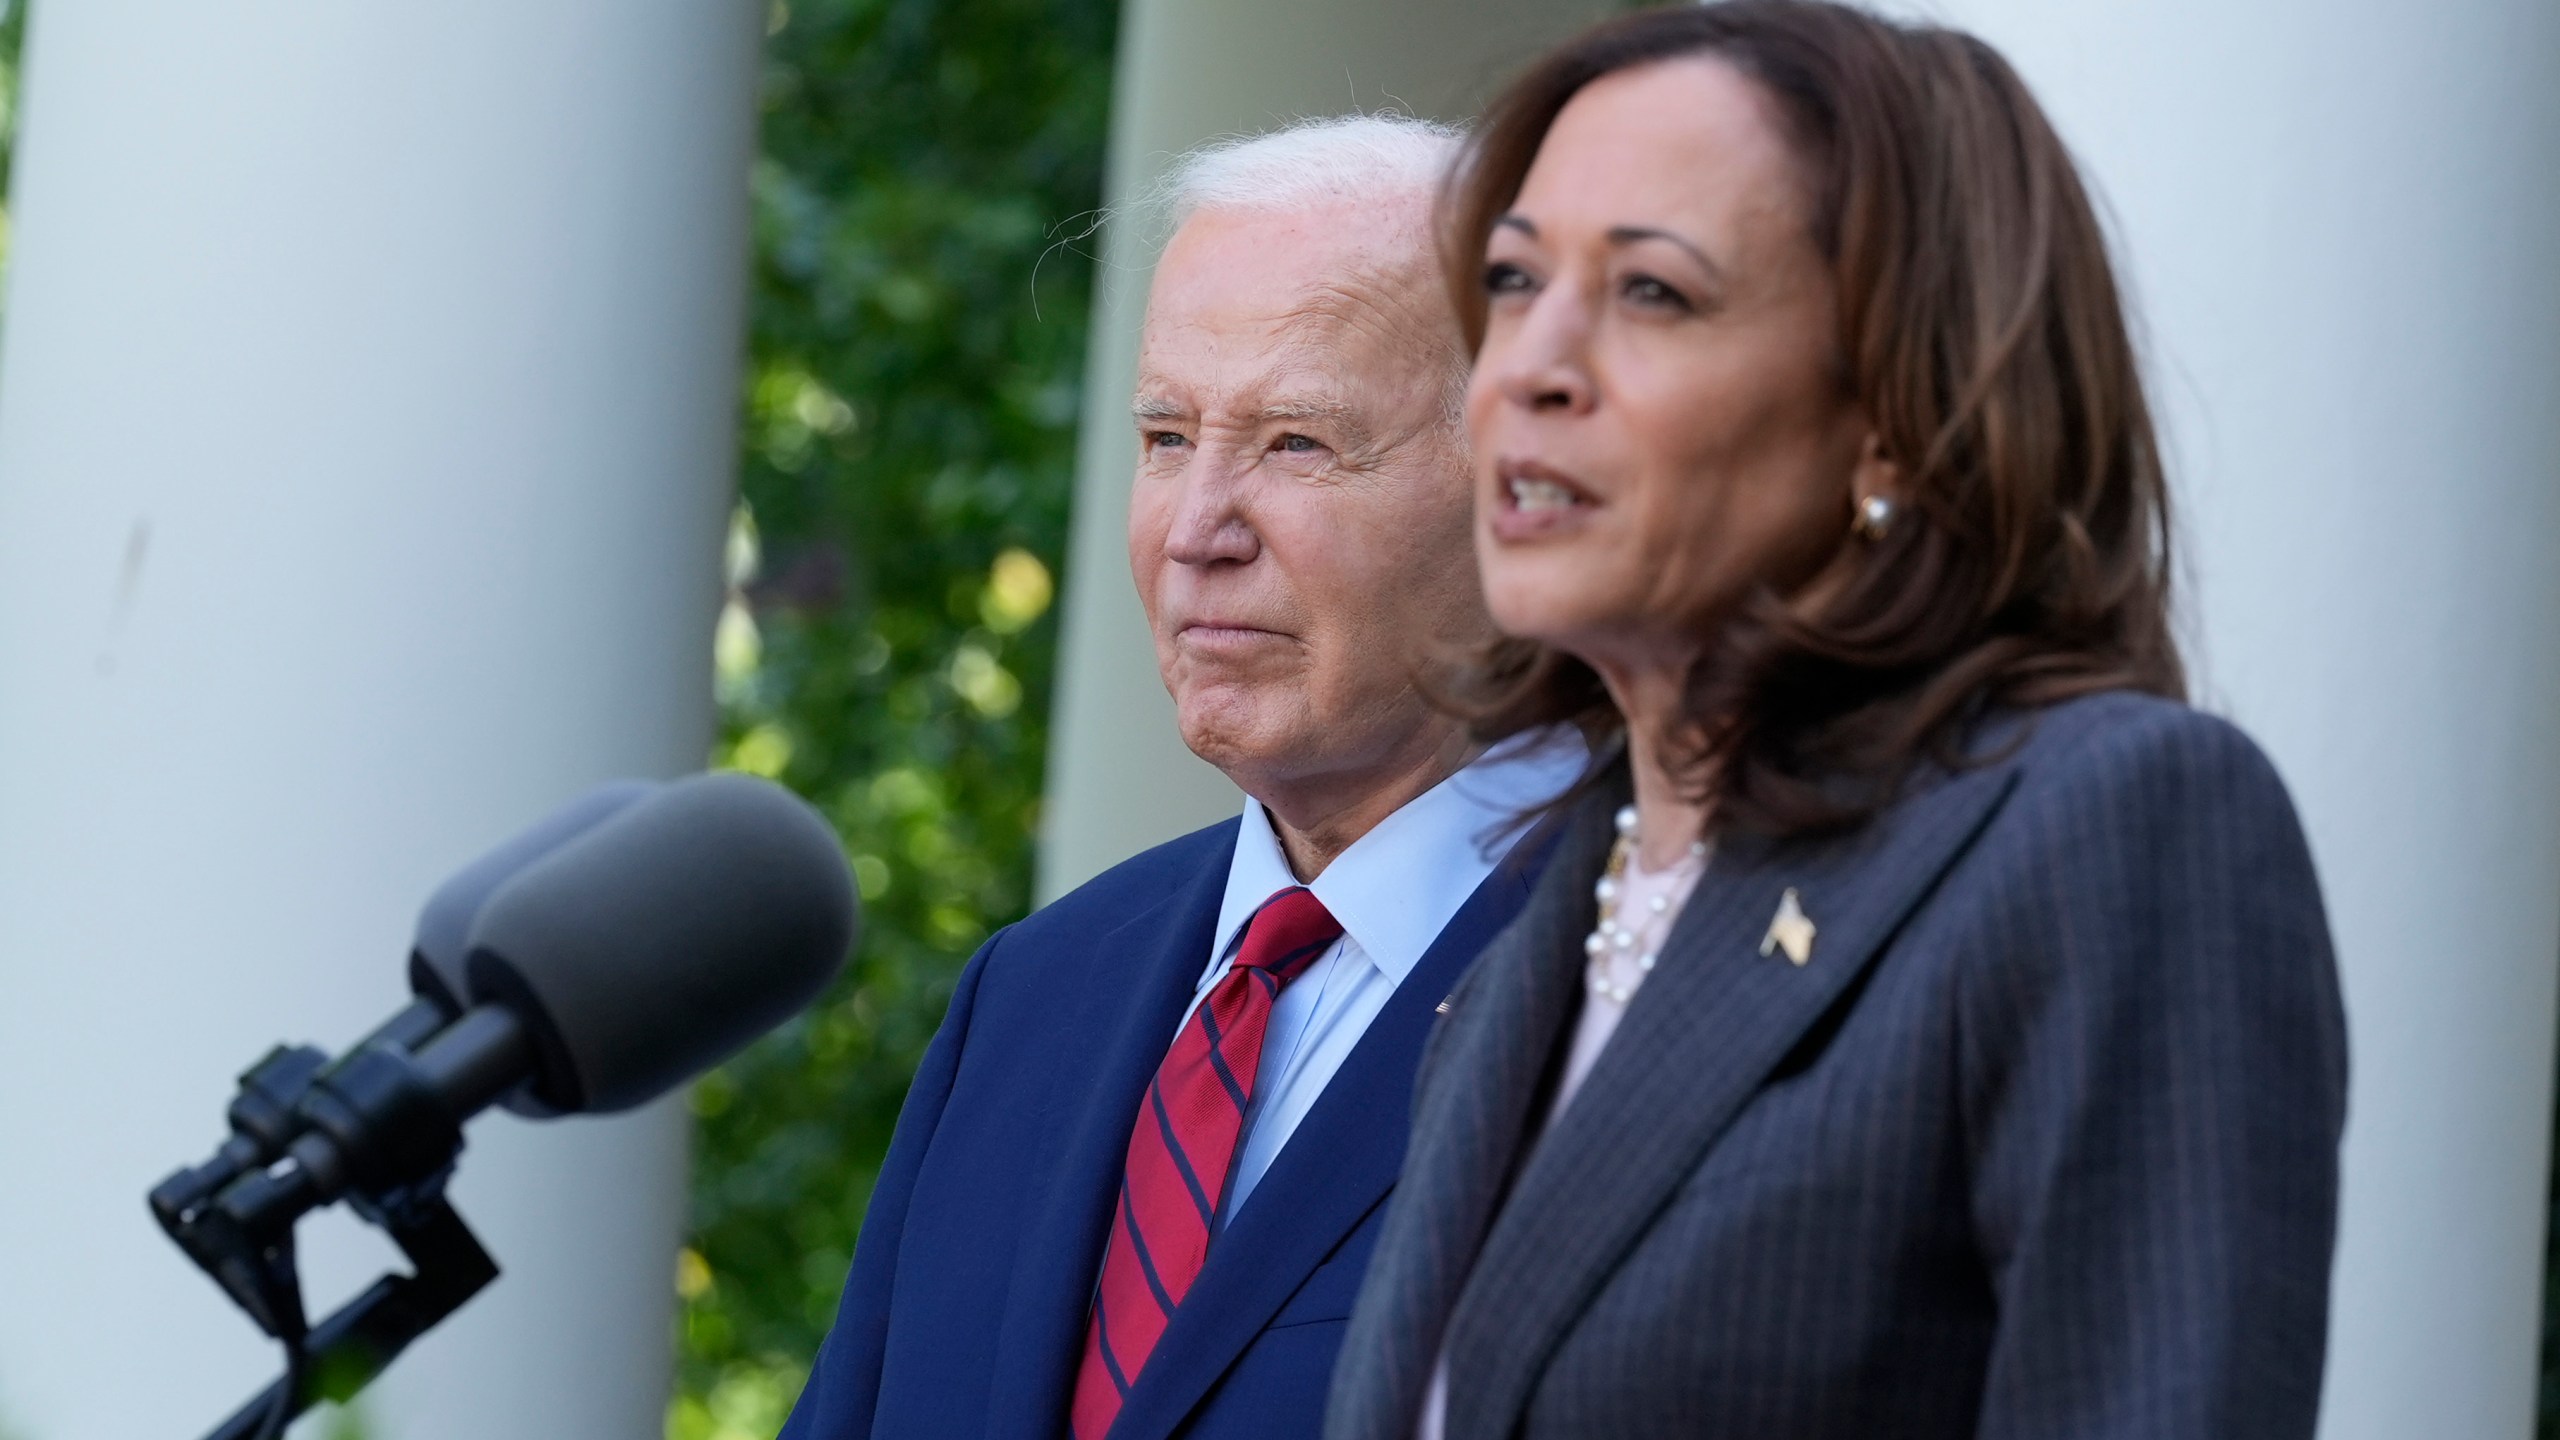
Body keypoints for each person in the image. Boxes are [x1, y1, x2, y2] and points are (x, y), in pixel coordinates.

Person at [1323, 7, 2350, 1439]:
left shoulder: (2112, 826)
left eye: (1653, 294)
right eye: (1511, 279)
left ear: (1889, 407)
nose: (1527, 369)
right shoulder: (1523, 950)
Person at [781, 115, 1581, 1440]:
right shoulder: (1034, 996)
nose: (1195, 530)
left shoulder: (1674, 978)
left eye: (1295, 444)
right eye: (1165, 437)